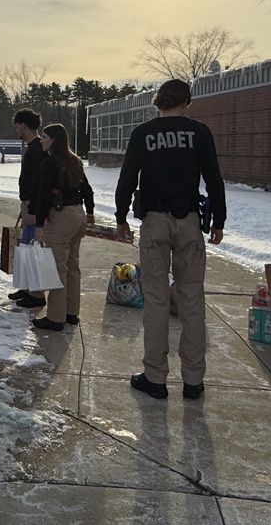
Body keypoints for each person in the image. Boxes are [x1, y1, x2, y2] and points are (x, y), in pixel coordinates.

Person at [114, 78, 226, 401]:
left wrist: (121, 217)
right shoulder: (199, 133)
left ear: (158, 101)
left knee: (156, 299)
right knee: (191, 299)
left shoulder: (143, 134)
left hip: (154, 221)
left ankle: (155, 377)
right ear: (186, 102)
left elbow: (127, 178)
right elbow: (213, 178)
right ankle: (193, 380)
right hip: (189, 220)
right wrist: (219, 220)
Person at [30, 124, 94, 331]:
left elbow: (44, 195)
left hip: (60, 218)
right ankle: (71, 313)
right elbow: (87, 189)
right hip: (78, 215)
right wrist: (90, 212)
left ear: (54, 140)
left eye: (45, 137)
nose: (42, 140)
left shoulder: (49, 163)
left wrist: (38, 223)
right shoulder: (75, 161)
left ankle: (56, 317)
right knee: (72, 266)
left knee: (58, 268)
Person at [10, 107, 48, 305]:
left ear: (24, 125)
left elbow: (38, 182)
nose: (16, 130)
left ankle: (36, 293)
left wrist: (31, 208)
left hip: (33, 205)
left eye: (17, 126)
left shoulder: (37, 150)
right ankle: (26, 288)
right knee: (26, 246)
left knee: (33, 248)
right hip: (28, 203)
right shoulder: (33, 148)